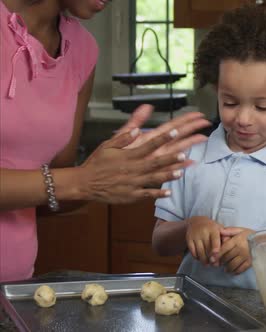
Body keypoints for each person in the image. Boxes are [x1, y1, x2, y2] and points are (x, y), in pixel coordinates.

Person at [0, 0, 211, 282]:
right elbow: (70, 182)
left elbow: (55, 193)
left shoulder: (82, 49)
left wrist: (112, 172)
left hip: (14, 283)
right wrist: (82, 181)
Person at [151, 6, 266, 289]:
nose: (243, 118)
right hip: (196, 307)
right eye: (230, 102)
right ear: (216, 89)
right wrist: (189, 227)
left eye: (261, 106)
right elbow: (159, 243)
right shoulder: (190, 157)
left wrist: (263, 247)